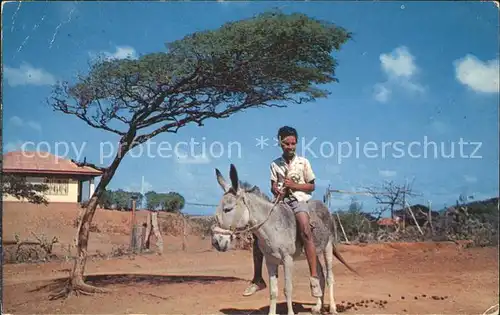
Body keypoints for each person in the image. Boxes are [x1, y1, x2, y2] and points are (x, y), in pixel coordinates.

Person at [242, 126, 322, 298]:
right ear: (280, 143)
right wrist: (277, 190)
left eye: (293, 143)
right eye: (287, 143)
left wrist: (294, 186)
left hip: (299, 200)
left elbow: (312, 185)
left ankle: (314, 277)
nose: (291, 147)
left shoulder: (303, 162)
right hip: (281, 202)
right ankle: (257, 279)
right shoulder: (274, 164)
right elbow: (272, 185)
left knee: (305, 228)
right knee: (258, 232)